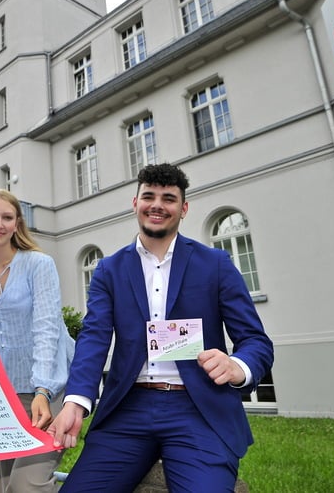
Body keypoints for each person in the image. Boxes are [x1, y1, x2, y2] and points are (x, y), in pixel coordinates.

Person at [48, 163, 274, 492]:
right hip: (129, 408)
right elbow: (93, 338)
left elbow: (256, 341)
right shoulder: (109, 270)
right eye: (149, 196)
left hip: (198, 409)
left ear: (183, 208)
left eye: (168, 198)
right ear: (135, 203)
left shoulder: (215, 265)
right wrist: (76, 401)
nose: (157, 204)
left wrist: (237, 367)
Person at [0, 188, 73, 493]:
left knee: (28, 486)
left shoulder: (39, 264)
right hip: (2, 395)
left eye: (7, 217)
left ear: (17, 224)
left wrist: (42, 389)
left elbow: (47, 328)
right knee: (5, 484)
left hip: (46, 390)